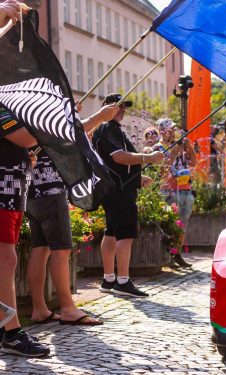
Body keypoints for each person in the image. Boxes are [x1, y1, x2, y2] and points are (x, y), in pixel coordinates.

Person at [24, 103, 117, 326]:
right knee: (61, 249)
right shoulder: (47, 115)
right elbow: (72, 133)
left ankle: (39, 309)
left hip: (32, 191)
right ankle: (67, 308)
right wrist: (101, 116)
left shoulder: (29, 111)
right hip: (51, 190)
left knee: (41, 248)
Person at [92, 94, 164, 298]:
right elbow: (118, 157)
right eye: (118, 106)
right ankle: (123, 281)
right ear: (106, 108)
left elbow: (114, 162)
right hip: (119, 191)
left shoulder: (107, 129)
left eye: (124, 107)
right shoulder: (108, 128)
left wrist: (137, 178)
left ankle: (109, 279)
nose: (122, 110)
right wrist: (147, 157)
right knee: (126, 234)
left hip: (115, 187)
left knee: (111, 232)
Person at [0, 102, 50, 356]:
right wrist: (51, 121)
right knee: (6, 259)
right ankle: (12, 333)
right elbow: (26, 137)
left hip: (12, 193)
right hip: (3, 193)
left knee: (6, 259)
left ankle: (5, 328)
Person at [155, 118, 195, 268]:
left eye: (174, 129)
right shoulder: (158, 148)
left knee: (182, 225)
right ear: (162, 131)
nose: (173, 132)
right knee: (170, 224)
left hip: (186, 189)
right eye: (170, 129)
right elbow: (162, 169)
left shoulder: (181, 146)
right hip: (169, 190)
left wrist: (189, 148)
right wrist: (174, 151)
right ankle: (168, 255)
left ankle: (177, 253)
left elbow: (194, 163)